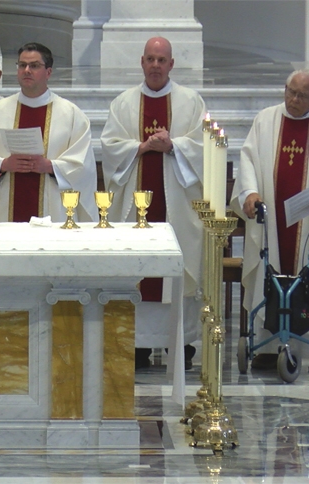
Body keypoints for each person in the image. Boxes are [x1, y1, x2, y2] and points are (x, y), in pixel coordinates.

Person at [100, 37, 206, 369]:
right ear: (142, 62)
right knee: (138, 269)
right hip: (136, 203)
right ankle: (139, 345)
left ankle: (181, 343)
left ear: (171, 64)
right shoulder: (124, 103)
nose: (156, 65)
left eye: (162, 60)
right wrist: (142, 147)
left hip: (177, 202)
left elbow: (205, 147)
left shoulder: (190, 102)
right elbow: (109, 147)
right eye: (150, 59)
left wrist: (175, 146)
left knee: (177, 266)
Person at [0, 43, 97, 223]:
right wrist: (3, 164)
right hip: (6, 213)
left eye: (34, 66)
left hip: (54, 211)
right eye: (22, 65)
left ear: (49, 72)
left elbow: (84, 165)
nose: (26, 70)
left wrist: (51, 167)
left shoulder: (72, 115)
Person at [232, 69, 309, 369]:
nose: (294, 99)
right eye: (290, 91)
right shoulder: (265, 120)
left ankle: (300, 347)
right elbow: (248, 158)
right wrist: (250, 192)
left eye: (302, 96)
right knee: (268, 271)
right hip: (271, 220)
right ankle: (266, 346)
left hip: (304, 228)